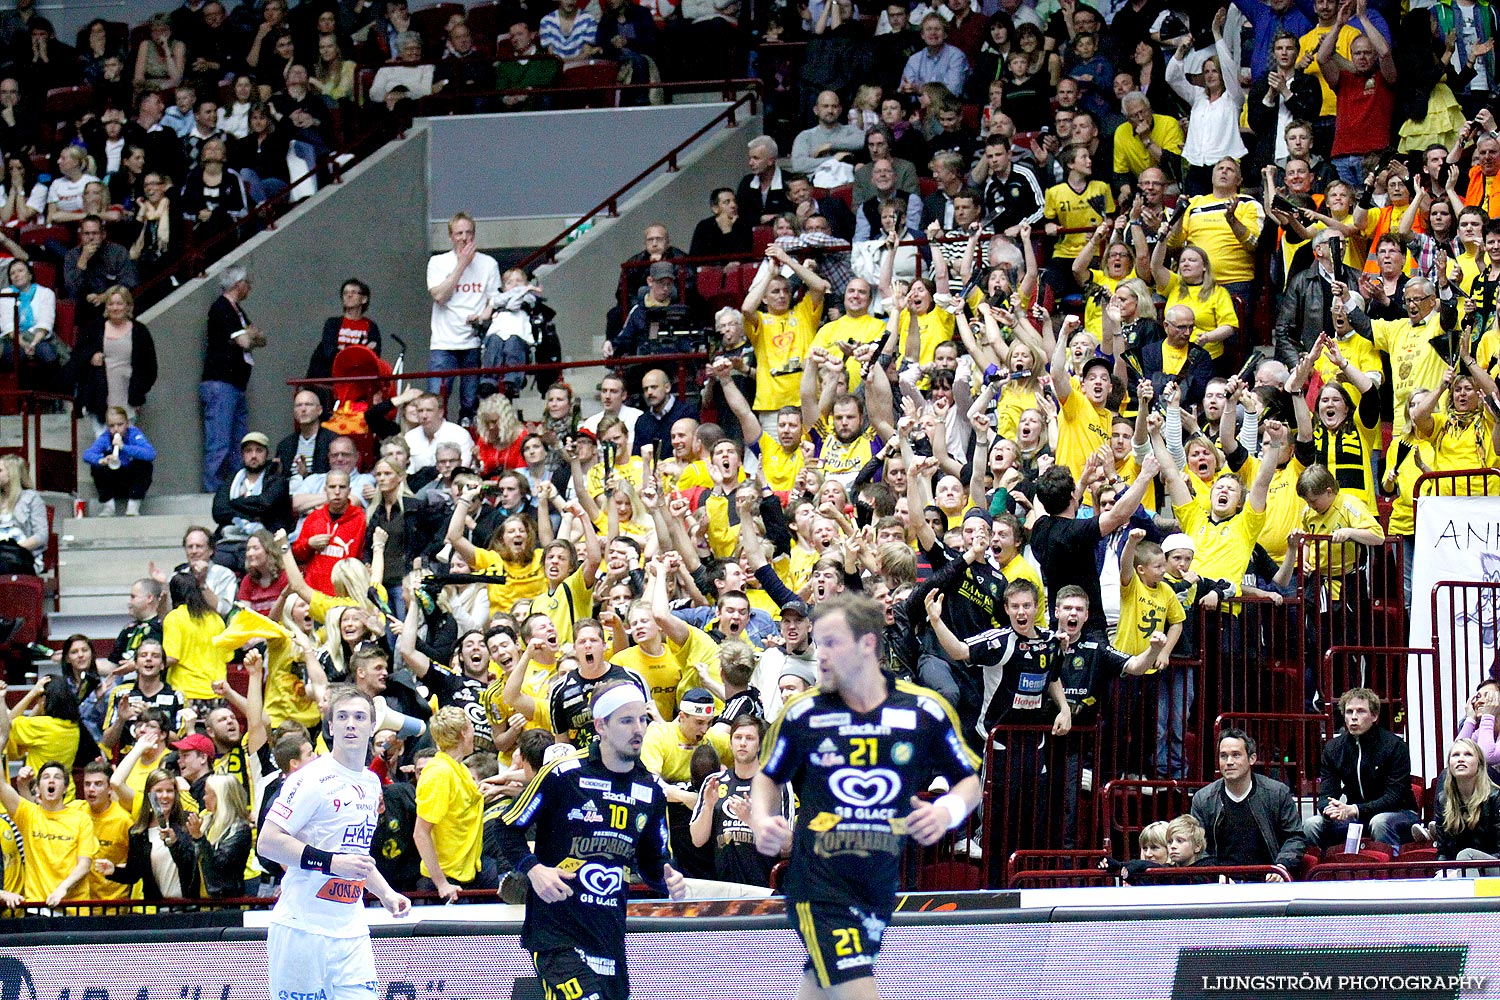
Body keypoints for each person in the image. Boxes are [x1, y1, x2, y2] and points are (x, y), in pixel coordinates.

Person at [751, 594, 981, 998]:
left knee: (821, 987)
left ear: (868, 644)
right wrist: (761, 819)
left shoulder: (923, 709)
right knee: (856, 988)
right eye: (818, 643)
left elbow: (970, 780)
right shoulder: (804, 713)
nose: (820, 655)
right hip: (818, 883)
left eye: (832, 643)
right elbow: (767, 778)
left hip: (877, 883)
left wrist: (946, 811)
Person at [497, 681, 686, 1000]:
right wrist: (534, 869)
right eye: (626, 721)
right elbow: (506, 828)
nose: (638, 729)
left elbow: (654, 864)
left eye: (642, 719)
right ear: (601, 725)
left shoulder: (651, 790)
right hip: (558, 936)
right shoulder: (563, 774)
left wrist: (669, 879)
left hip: (609, 939)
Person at [258, 686, 410, 1000]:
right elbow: (268, 843)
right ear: (330, 727)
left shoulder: (369, 782)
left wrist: (385, 892)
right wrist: (330, 862)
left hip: (351, 931)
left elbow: (355, 855)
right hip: (303, 930)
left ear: (372, 727)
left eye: (359, 717)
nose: (350, 723)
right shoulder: (310, 779)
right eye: (342, 717)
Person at [0, 693, 95, 906]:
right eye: (45, 777)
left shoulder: (81, 819)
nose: (51, 780)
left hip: (73, 908)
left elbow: (84, 864)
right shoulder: (29, 814)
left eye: (57, 777)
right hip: (37, 907)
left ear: (65, 787)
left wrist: (63, 888)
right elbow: (2, 786)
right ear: (38, 789)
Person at [1304, 687, 1420, 849]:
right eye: (1349, 712)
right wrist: (1331, 810)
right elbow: (1326, 793)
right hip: (1354, 814)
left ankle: (1388, 870)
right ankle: (1323, 870)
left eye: (1360, 711)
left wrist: (1355, 809)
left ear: (1374, 716)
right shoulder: (1333, 749)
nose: (1354, 718)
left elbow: (1394, 796)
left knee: (1379, 822)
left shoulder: (1394, 746)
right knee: (1312, 824)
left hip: (1398, 813)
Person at [1189, 729, 1306, 880]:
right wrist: (1214, 874)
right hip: (1220, 884)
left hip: (1267, 881)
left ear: (1252, 759)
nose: (1229, 762)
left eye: (1236, 755)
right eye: (1223, 756)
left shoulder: (1277, 793)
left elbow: (1295, 837)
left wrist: (1281, 866)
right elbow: (1198, 846)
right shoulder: (1203, 799)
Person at [427, 211, 498, 423]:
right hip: (443, 342)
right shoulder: (438, 262)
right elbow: (439, 295)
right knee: (435, 401)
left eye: (468, 233)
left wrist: (482, 317)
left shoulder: (488, 264)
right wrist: (462, 265)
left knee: (470, 404)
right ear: (451, 236)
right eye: (459, 233)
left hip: (473, 342)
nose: (464, 237)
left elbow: (494, 301)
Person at [200, 265, 265, 493]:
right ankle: (213, 490)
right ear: (239, 284)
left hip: (236, 384)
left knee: (239, 440)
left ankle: (236, 487)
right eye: (248, 283)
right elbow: (247, 341)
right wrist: (251, 335)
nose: (249, 288)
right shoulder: (221, 308)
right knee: (220, 441)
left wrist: (252, 335)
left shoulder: (238, 310)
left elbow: (260, 337)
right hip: (221, 383)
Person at [414, 706, 486, 900]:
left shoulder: (459, 768)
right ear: (463, 733)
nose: (474, 732)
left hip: (466, 873)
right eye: (471, 727)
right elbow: (421, 833)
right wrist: (442, 884)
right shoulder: (439, 773)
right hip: (445, 882)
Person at [71, 285, 157, 433]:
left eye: (119, 303)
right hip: (99, 396)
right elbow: (77, 356)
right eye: (111, 304)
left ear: (128, 306)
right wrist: (91, 358)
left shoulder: (140, 331)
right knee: (103, 445)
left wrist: (139, 391)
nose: (115, 308)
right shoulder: (94, 329)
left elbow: (150, 367)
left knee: (125, 447)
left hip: (127, 397)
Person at [0, 259, 64, 392]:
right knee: (18, 355)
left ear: (30, 275)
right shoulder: (5, 294)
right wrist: (24, 344)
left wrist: (33, 344)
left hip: (38, 337)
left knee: (48, 355)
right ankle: (23, 400)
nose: (16, 275)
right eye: (12, 273)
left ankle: (48, 398)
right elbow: (8, 325)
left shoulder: (46, 293)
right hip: (14, 338)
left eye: (20, 271)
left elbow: (45, 322)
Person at [83, 406, 155, 517]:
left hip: (131, 482)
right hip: (115, 482)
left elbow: (150, 454)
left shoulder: (134, 434)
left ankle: (133, 506)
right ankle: (108, 506)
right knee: (96, 467)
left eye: (120, 425)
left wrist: (124, 447)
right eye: (112, 426)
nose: (116, 429)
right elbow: (87, 454)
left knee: (144, 465)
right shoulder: (105, 437)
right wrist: (101, 460)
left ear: (127, 424)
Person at [276, 390, 334, 478]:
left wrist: (306, 475)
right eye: (299, 405)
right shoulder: (285, 445)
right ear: (294, 412)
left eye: (308, 404)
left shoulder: (332, 442)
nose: (303, 409)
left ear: (319, 410)